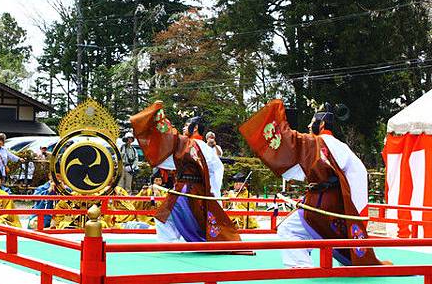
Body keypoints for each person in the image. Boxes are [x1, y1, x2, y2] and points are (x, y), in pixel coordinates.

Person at [239, 99, 388, 267]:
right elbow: (359, 175)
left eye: (312, 123)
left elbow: (291, 140)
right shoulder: (341, 147)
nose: (309, 127)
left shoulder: (317, 143)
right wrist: (352, 208)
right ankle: (305, 264)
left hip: (322, 206)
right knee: (303, 231)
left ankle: (302, 267)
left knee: (289, 230)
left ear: (322, 124)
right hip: (333, 206)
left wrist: (274, 113)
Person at [130, 101, 241, 243]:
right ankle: (174, 243)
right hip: (195, 190)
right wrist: (213, 192)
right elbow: (216, 170)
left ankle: (171, 245)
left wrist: (158, 117)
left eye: (186, 124)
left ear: (194, 128)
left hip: (186, 189)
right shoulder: (198, 146)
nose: (183, 127)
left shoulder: (190, 144)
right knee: (176, 218)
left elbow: (170, 139)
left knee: (164, 217)